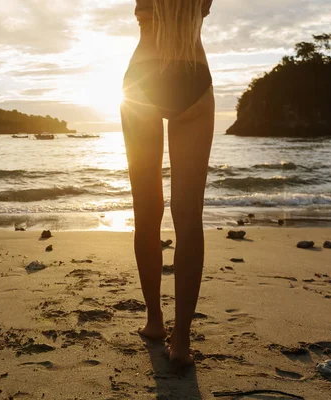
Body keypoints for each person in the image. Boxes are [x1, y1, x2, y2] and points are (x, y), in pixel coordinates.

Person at [121, 0, 215, 366]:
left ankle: (155, 321)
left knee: (147, 212)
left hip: (142, 78)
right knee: (189, 217)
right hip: (193, 73)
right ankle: (182, 342)